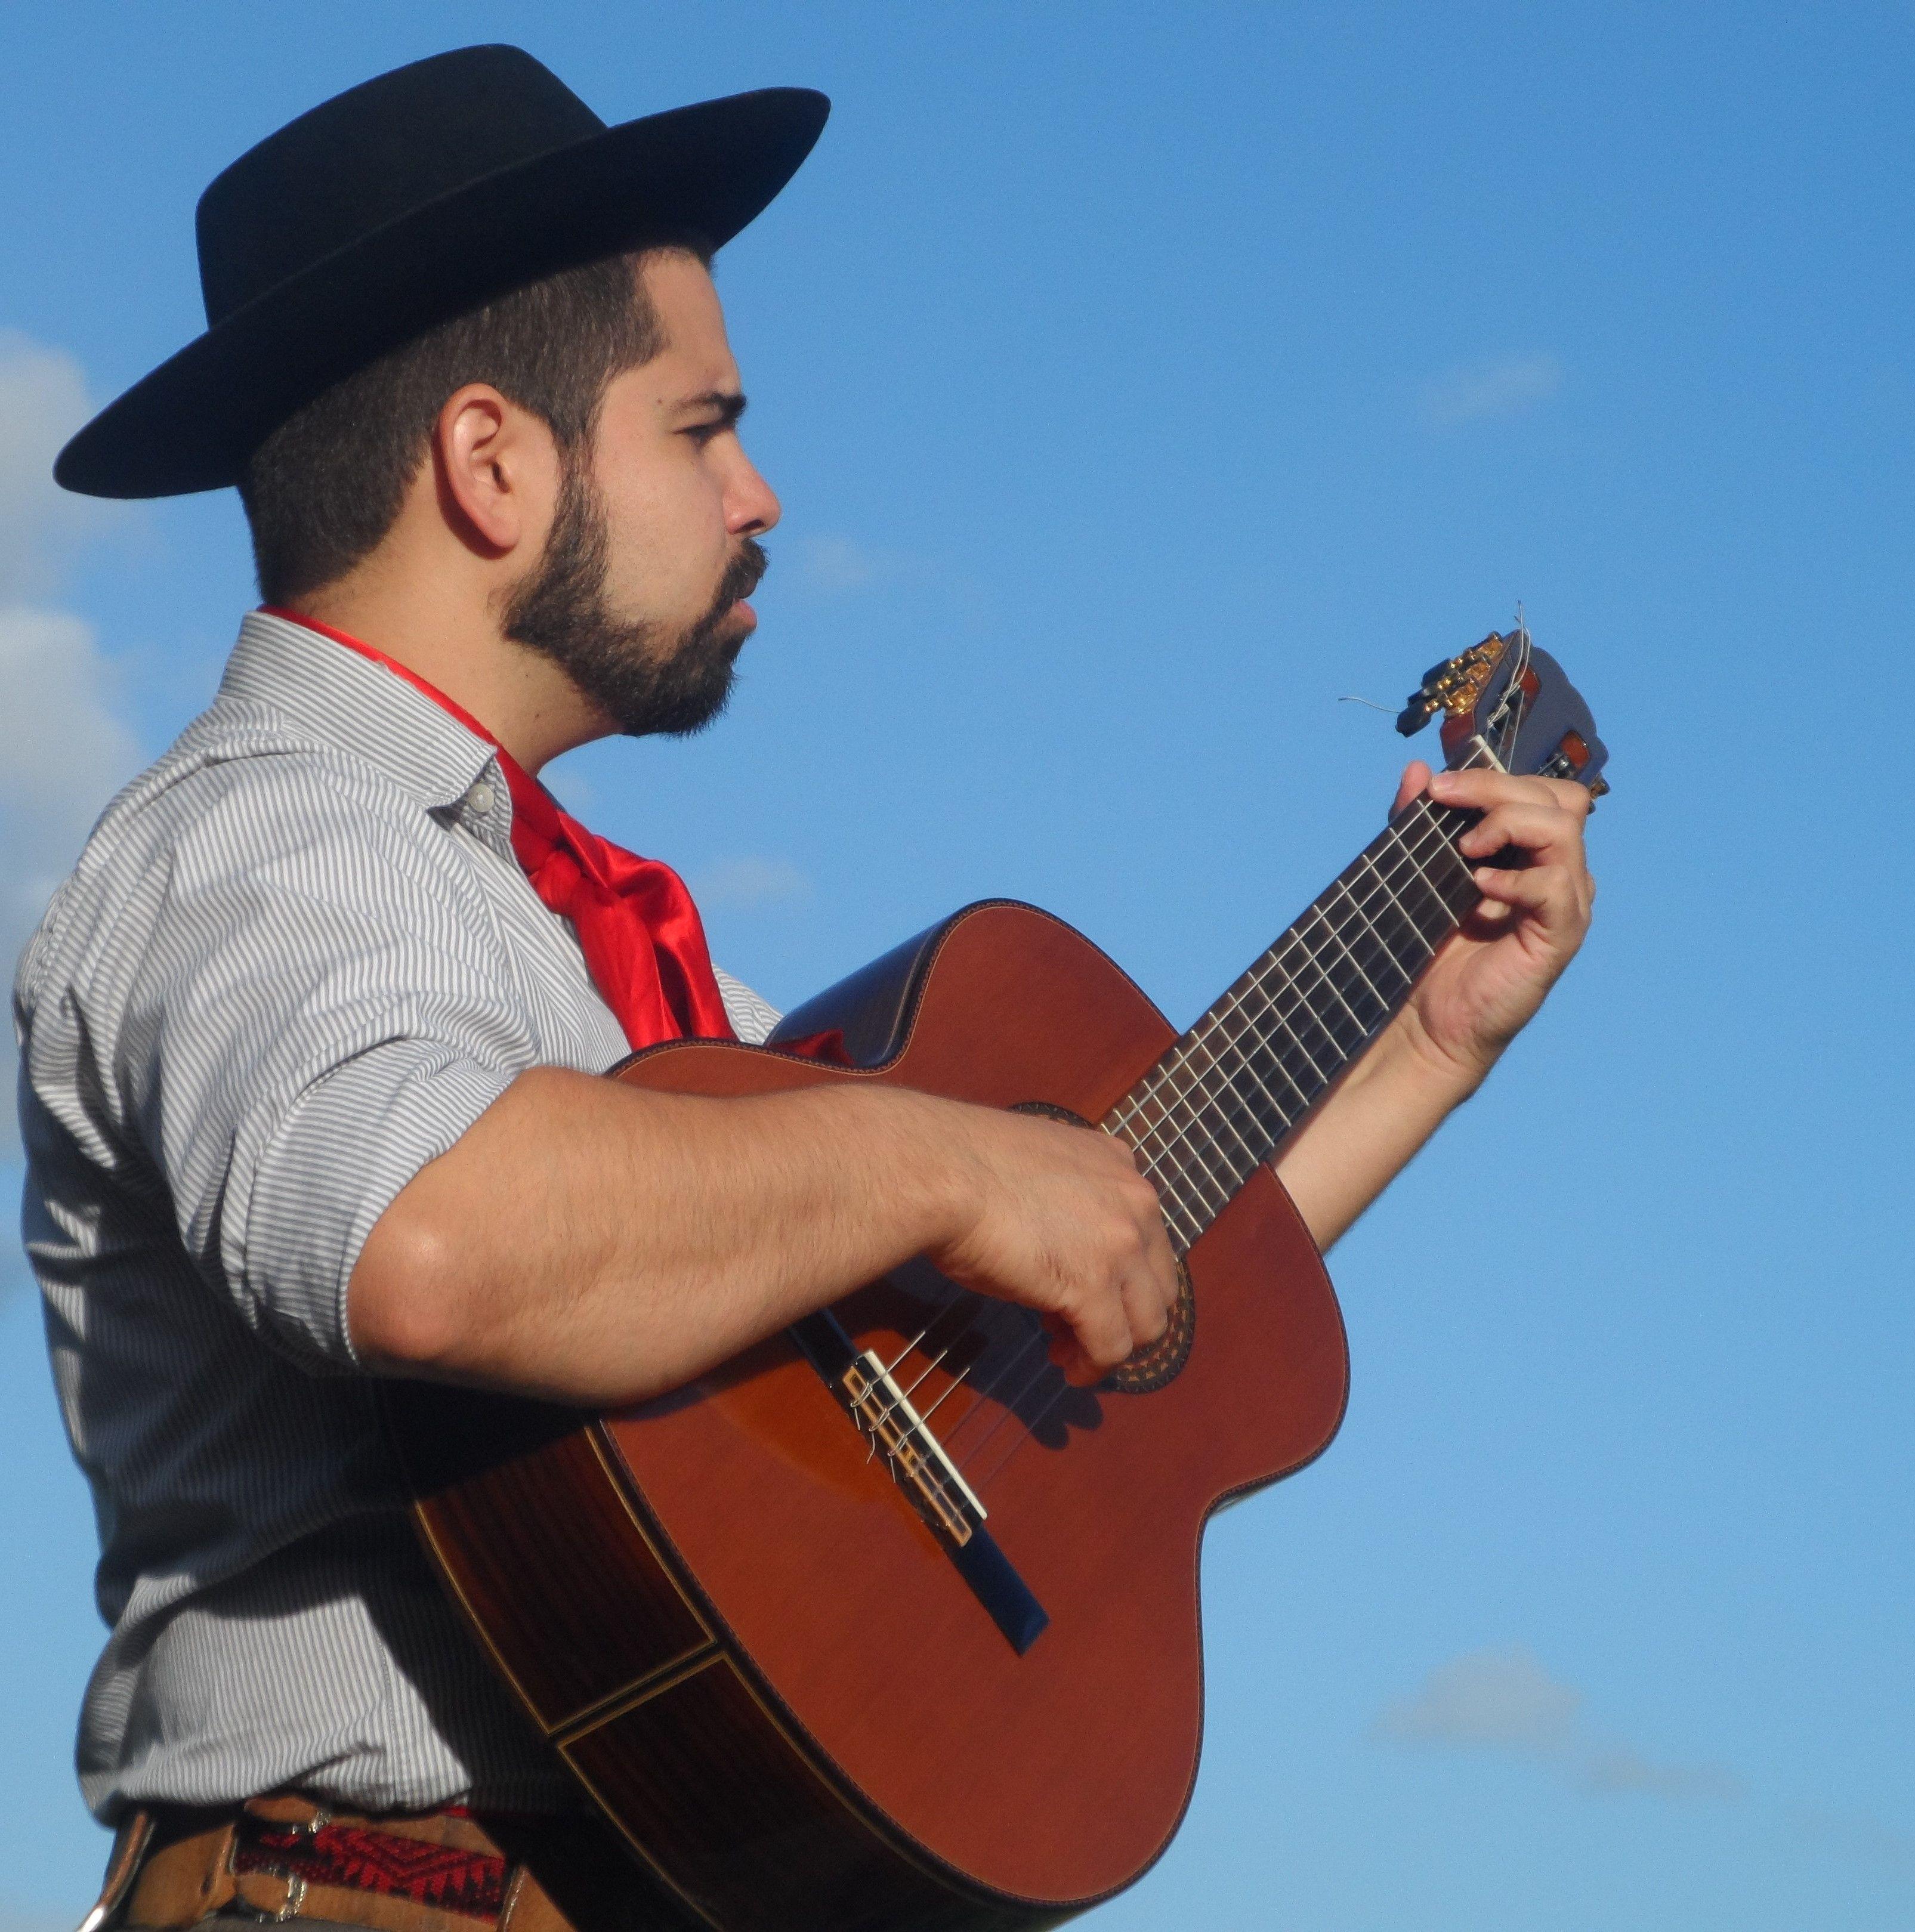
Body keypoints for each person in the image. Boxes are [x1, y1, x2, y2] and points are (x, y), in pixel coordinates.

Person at [18, 44, 1596, 1932]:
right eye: (701, 426)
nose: (761, 492)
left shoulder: (590, 958)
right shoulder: (268, 841)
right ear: (492, 463)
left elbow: (1064, 1322)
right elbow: (421, 1232)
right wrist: (948, 1168)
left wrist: (1421, 1041)